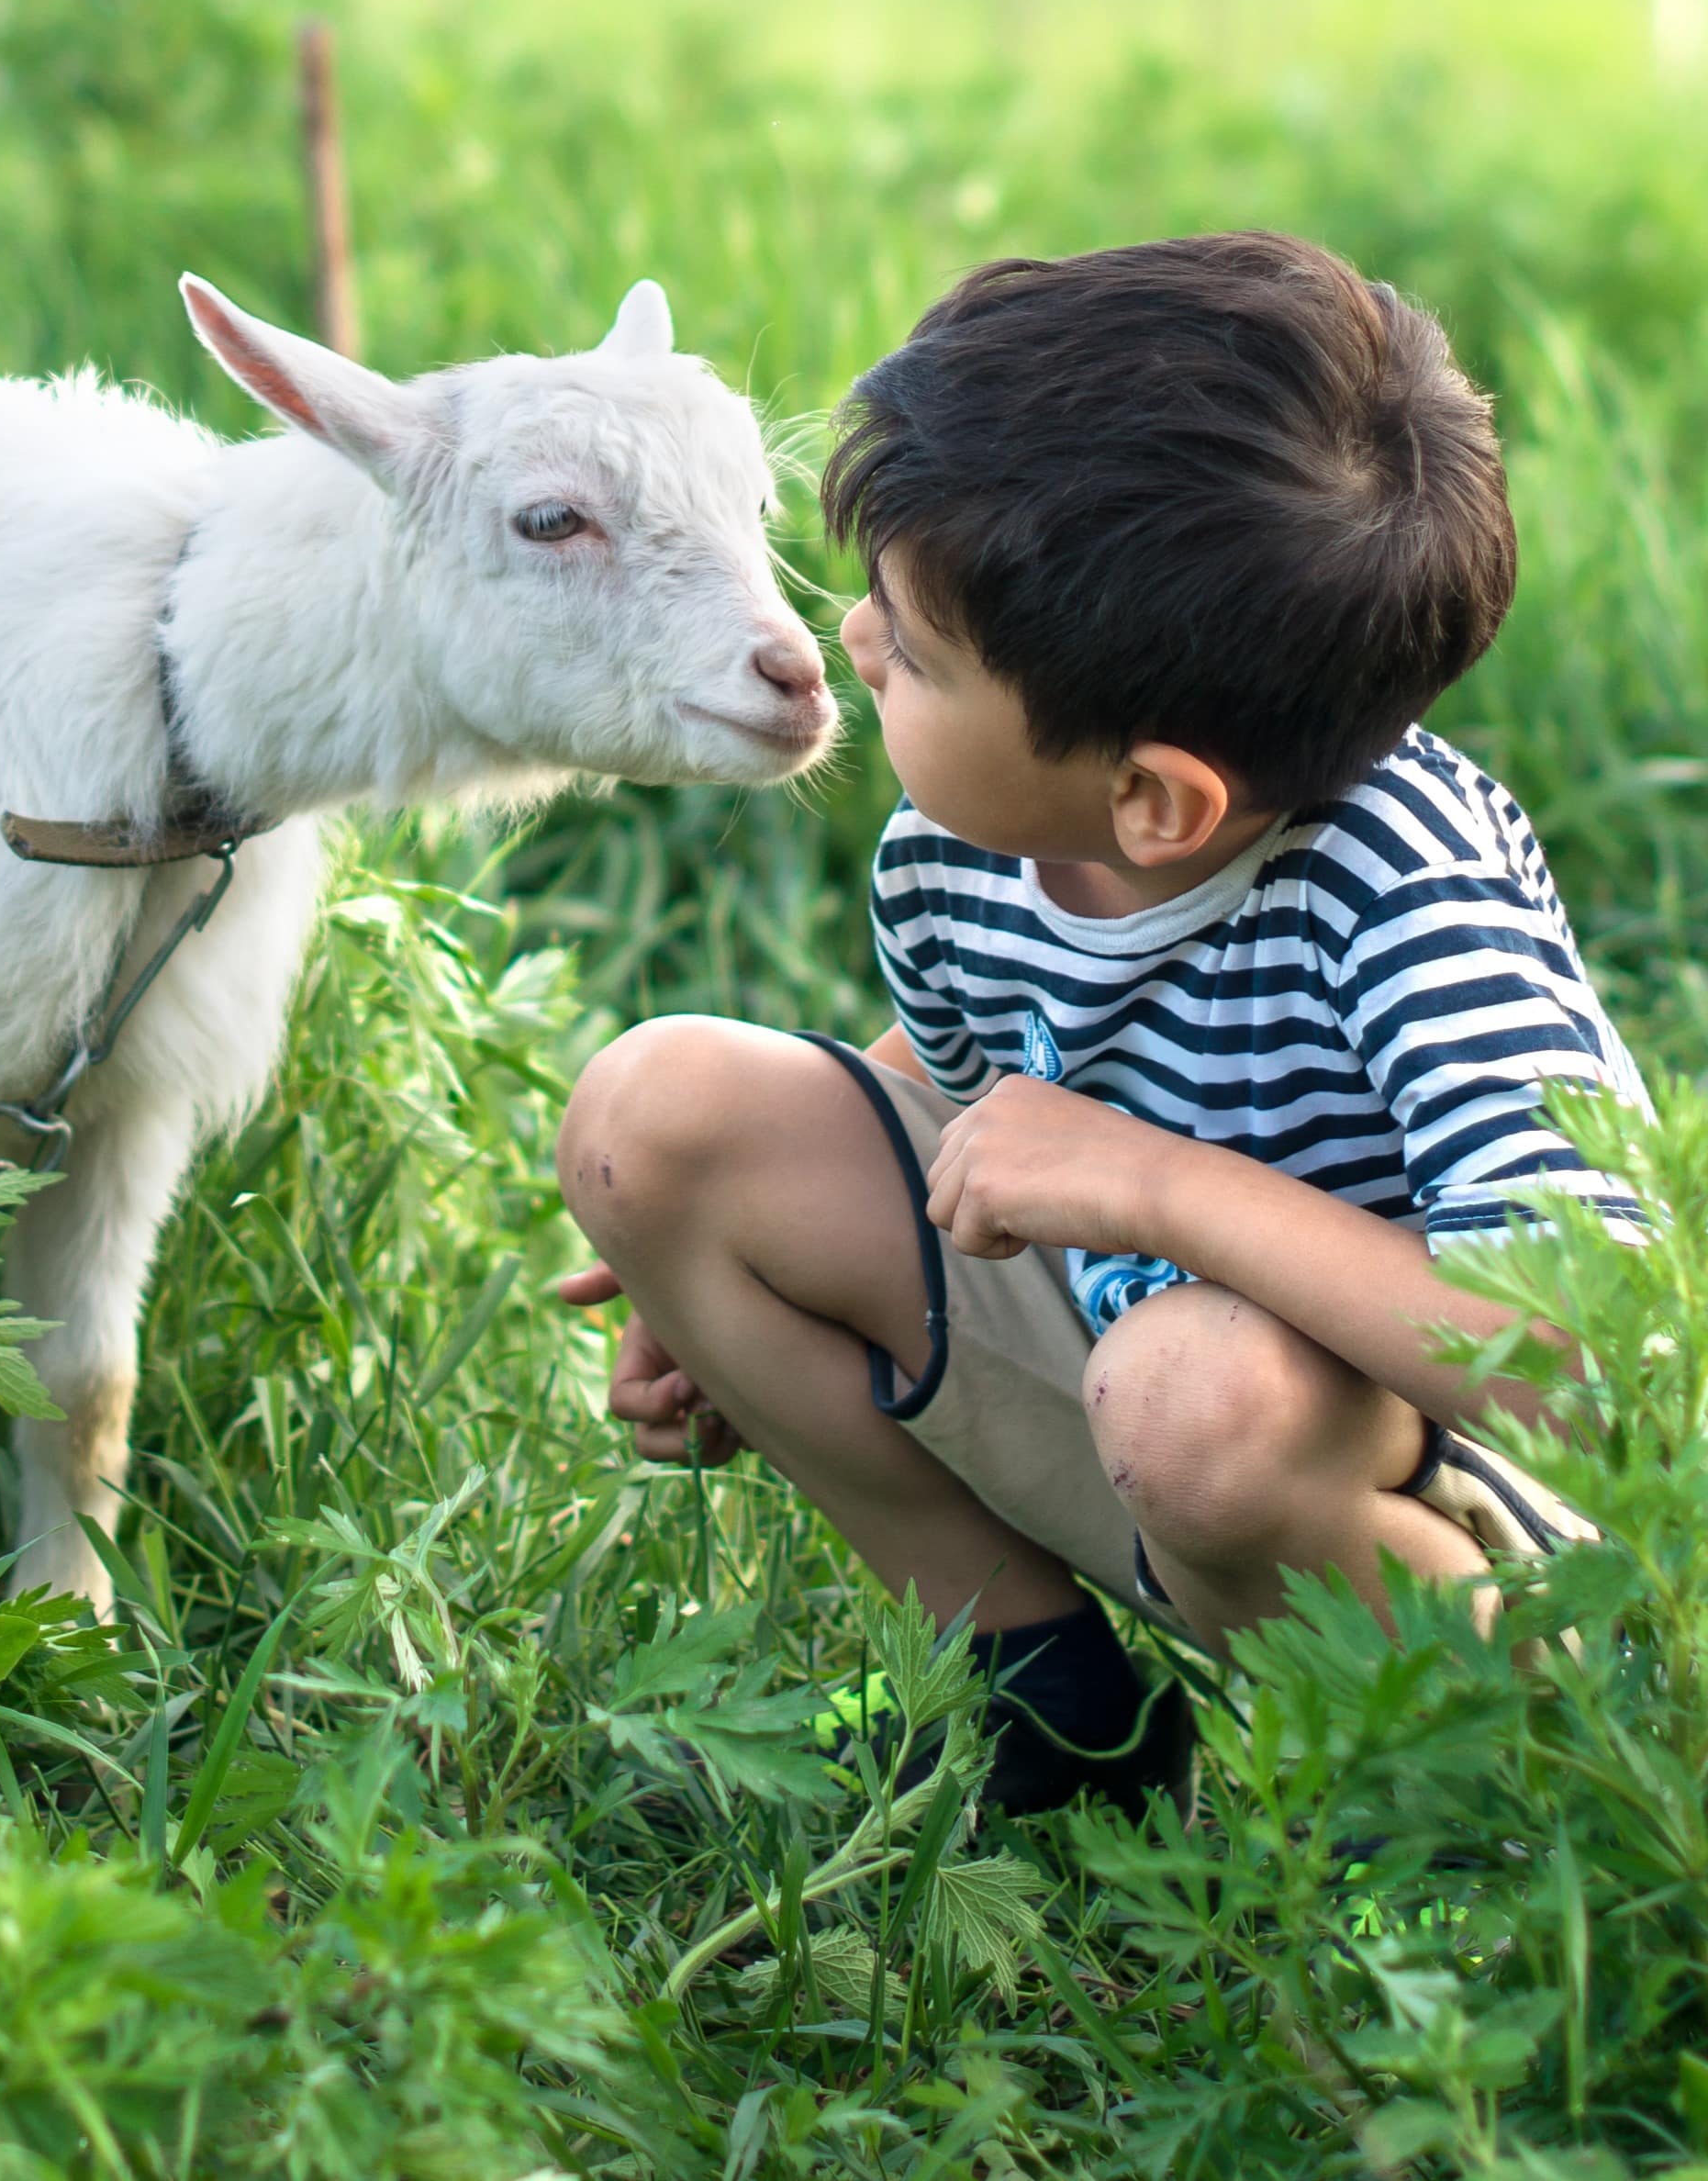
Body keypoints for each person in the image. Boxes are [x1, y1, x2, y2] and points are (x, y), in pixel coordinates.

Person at [555, 234, 1646, 1819]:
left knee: (1196, 1391)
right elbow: (949, 1084)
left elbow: (1580, 1359)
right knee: (656, 1118)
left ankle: (1459, 1799)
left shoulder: (1408, 896)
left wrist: (1155, 1186)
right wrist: (729, 1274)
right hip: (1125, 1383)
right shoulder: (962, 845)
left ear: (1153, 799)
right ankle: (1043, 1707)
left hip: (1427, 1518)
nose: (853, 646)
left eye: (913, 653)